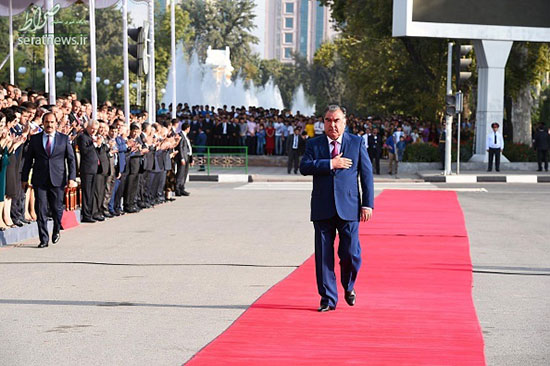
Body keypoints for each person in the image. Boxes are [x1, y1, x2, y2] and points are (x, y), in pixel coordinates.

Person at [299, 105, 374, 312]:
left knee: (350, 253)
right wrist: (330, 164)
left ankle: (349, 286)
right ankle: (328, 299)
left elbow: (366, 176)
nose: (333, 124)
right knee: (324, 255)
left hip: (350, 207)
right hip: (322, 207)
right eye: (328, 120)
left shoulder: (356, 143)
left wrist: (367, 204)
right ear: (323, 122)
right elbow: (304, 167)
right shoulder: (314, 144)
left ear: (345, 121)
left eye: (337, 120)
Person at [21, 112, 77, 248]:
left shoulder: (63, 139)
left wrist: (72, 178)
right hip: (40, 179)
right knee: (40, 209)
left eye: (52, 122)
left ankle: (56, 229)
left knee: (57, 208)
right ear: (43, 123)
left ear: (56, 124)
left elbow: (71, 160)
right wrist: (24, 178)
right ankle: (43, 239)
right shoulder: (35, 139)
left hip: (58, 179)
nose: (49, 125)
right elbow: (28, 160)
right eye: (47, 122)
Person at [75, 120, 100, 223]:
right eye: (92, 128)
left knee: (91, 192)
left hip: (94, 168)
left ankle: (90, 212)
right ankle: (86, 214)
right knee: (86, 193)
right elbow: (84, 151)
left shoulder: (91, 137)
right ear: (88, 127)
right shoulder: (83, 137)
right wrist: (94, 144)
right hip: (87, 168)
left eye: (95, 129)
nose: (94, 130)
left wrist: (97, 145)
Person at [175, 122, 192, 196]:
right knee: (180, 173)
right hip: (183, 157)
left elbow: (189, 148)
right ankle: (177, 188)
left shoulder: (186, 136)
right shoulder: (181, 135)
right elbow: (180, 148)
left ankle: (182, 187)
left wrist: (191, 159)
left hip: (187, 156)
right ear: (187, 128)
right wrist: (181, 158)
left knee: (184, 173)